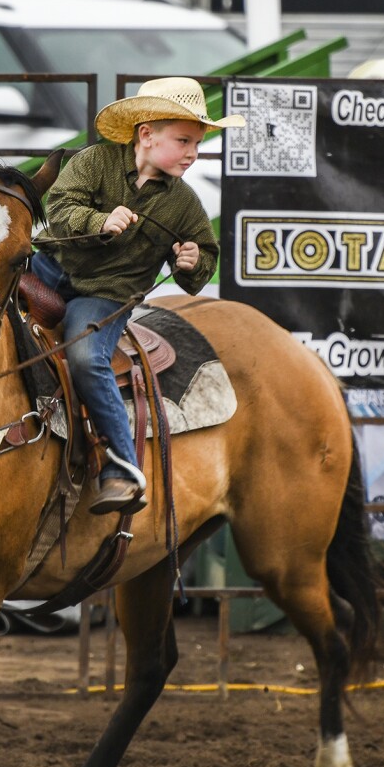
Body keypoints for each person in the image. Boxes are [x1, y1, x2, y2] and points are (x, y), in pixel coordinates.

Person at [32, 76, 234, 515]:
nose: (193, 153)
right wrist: (98, 221)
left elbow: (204, 262)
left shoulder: (184, 204)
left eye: (197, 144)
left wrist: (192, 261)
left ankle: (123, 470)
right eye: (183, 141)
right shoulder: (95, 161)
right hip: (47, 271)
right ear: (146, 134)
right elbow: (58, 207)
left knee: (87, 357)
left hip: (104, 296)